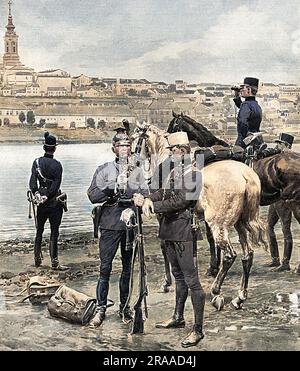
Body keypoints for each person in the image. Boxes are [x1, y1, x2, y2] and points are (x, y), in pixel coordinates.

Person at [134, 132, 205, 348]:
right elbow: (164, 193)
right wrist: (146, 198)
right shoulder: (175, 171)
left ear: (183, 151)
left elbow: (181, 201)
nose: (172, 155)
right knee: (178, 276)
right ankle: (178, 317)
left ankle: (198, 330)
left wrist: (152, 206)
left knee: (192, 281)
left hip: (184, 230)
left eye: (175, 151)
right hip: (169, 229)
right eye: (171, 152)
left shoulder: (194, 174)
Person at [87, 132, 149, 327]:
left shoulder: (138, 171)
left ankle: (125, 307)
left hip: (129, 225)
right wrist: (112, 187)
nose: (124, 149)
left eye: (127, 146)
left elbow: (146, 193)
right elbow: (93, 195)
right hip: (109, 224)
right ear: (114, 148)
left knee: (127, 269)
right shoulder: (104, 170)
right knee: (105, 268)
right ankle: (101, 308)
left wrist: (139, 200)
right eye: (121, 146)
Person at [29, 132, 68, 270]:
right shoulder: (57, 165)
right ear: (54, 148)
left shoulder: (37, 162)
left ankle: (37, 260)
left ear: (44, 147)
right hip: (54, 202)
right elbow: (56, 186)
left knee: (39, 230)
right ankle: (54, 262)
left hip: (41, 202)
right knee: (54, 232)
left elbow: (32, 183)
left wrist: (37, 194)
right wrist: (48, 196)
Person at [233, 77, 262, 149]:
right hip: (256, 141)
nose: (241, 90)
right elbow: (243, 108)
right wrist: (237, 95)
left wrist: (242, 141)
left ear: (249, 90)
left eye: (243, 88)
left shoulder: (246, 105)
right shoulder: (256, 105)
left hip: (244, 142)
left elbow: (242, 123)